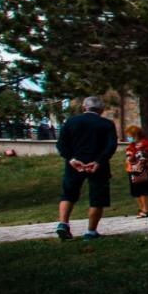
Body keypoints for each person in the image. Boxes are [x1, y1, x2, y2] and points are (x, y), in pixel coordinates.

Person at [54, 96, 118, 241]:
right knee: (97, 198)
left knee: (68, 194)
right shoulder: (106, 124)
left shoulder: (71, 122)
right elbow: (111, 146)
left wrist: (71, 159)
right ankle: (91, 232)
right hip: (98, 166)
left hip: (75, 164)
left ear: (84, 107)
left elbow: (61, 145)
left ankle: (63, 223)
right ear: (101, 110)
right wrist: (98, 161)